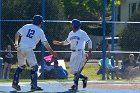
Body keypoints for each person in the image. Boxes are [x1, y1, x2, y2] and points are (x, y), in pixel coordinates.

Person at [12, 15, 57, 91]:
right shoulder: (40, 30)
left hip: (20, 48)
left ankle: (15, 83)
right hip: (28, 49)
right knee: (35, 67)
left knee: (21, 66)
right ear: (40, 22)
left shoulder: (26, 26)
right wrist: (52, 52)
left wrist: (16, 43)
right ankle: (34, 85)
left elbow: (17, 34)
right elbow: (45, 43)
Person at [53, 19, 92, 90]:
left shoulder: (82, 33)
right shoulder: (71, 33)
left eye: (72, 24)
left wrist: (89, 52)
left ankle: (75, 85)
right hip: (73, 53)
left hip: (80, 53)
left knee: (76, 70)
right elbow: (67, 42)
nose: (71, 25)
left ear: (74, 25)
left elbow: (89, 42)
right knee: (72, 71)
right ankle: (84, 78)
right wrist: (59, 43)